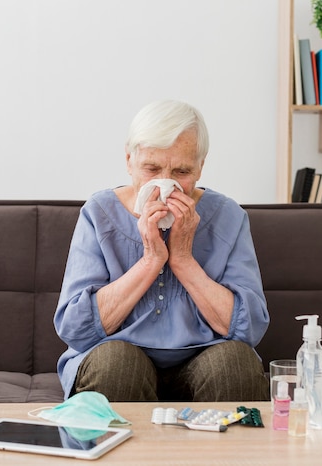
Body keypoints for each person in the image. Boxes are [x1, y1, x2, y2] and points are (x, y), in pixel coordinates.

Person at [54, 100, 269, 401]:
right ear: (129, 161)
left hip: (204, 358)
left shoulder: (228, 216)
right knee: (117, 365)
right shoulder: (98, 214)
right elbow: (75, 329)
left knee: (235, 364)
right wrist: (151, 260)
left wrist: (182, 258)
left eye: (181, 171)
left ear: (200, 168)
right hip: (117, 356)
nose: (164, 185)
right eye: (151, 168)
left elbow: (248, 330)